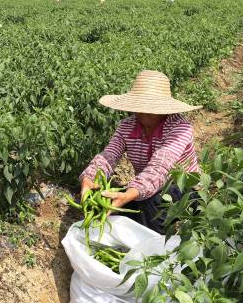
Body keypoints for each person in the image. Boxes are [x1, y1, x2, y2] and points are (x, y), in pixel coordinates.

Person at [79, 70, 201, 234]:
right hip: (148, 186)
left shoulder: (180, 128)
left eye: (150, 107)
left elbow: (160, 168)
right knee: (113, 208)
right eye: (140, 106)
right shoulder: (127, 126)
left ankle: (152, 253)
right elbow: (109, 156)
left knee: (154, 207)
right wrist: (90, 177)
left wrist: (130, 193)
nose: (143, 112)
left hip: (182, 188)